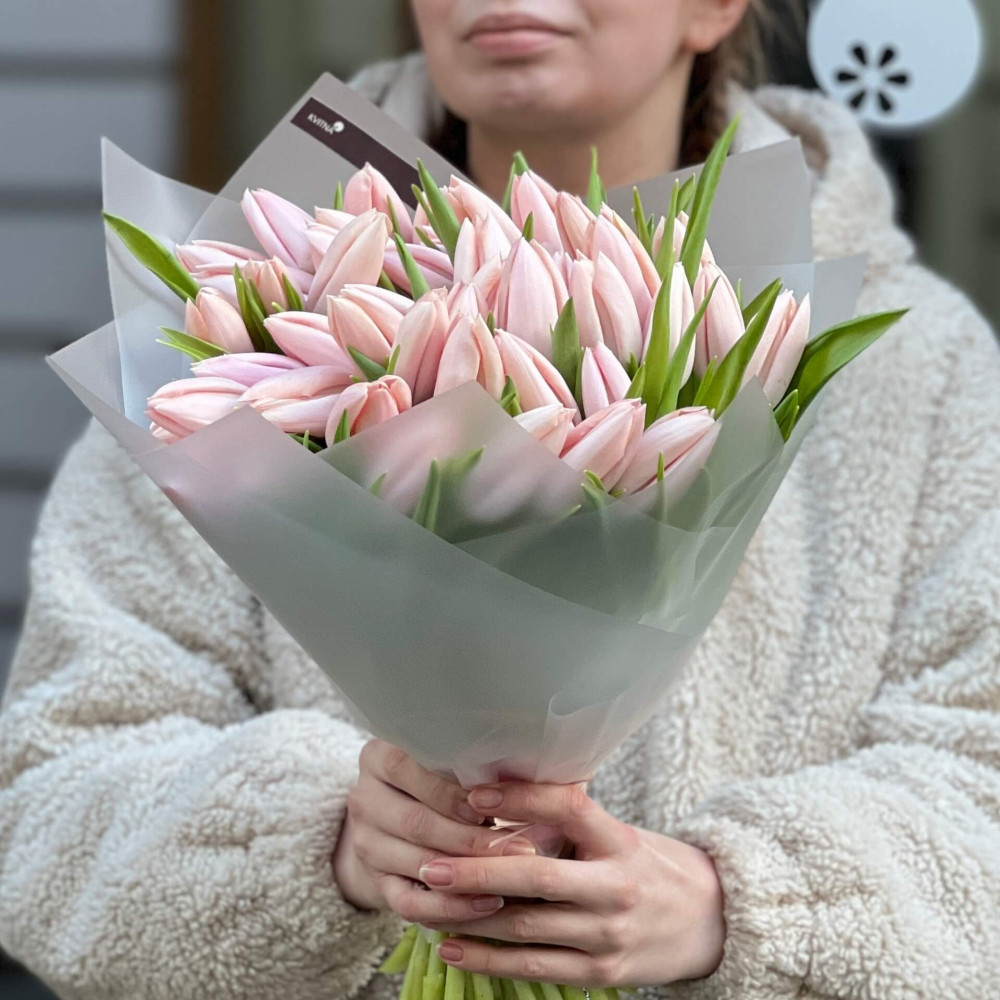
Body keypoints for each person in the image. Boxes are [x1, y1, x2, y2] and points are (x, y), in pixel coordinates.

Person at [1, 0, 998, 997]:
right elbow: (49, 792)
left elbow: (979, 786)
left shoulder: (923, 366)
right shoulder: (241, 328)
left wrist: (727, 903)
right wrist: (329, 845)